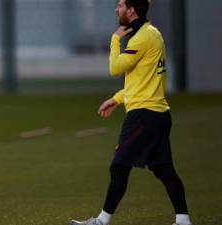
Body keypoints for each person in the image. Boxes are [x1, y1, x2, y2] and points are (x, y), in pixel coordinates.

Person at [70, 0, 193, 225]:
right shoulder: (152, 33)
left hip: (143, 116)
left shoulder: (142, 38)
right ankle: (183, 220)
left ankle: (101, 221)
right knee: (163, 169)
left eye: (120, 5)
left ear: (131, 10)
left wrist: (115, 39)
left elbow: (115, 67)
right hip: (158, 114)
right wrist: (117, 99)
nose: (116, 9)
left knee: (119, 166)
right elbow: (142, 80)